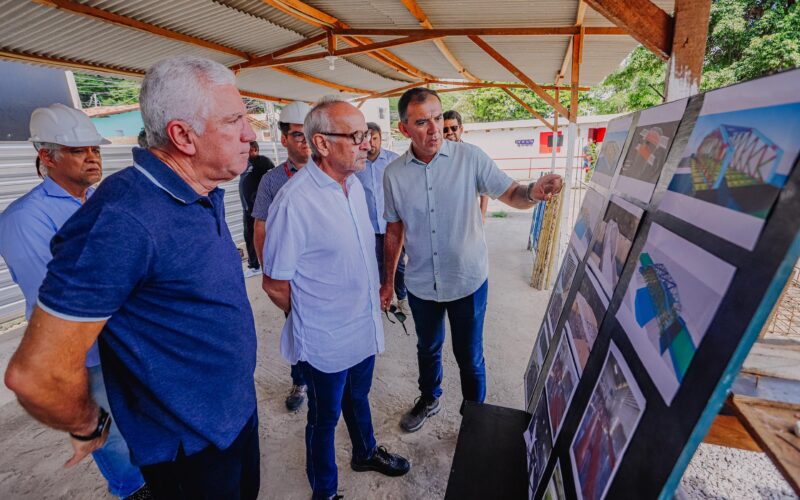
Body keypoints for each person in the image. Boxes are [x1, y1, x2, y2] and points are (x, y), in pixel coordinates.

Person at [4, 56, 261, 499]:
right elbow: (36, 374)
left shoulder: (198, 190)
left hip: (230, 416)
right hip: (187, 445)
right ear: (183, 136)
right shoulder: (124, 216)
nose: (251, 134)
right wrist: (88, 422)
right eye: (235, 120)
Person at [382, 88, 563, 432]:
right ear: (404, 129)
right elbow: (394, 230)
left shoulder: (471, 158)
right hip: (421, 284)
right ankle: (429, 397)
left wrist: (533, 193)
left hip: (467, 280)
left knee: (470, 356)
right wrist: (388, 281)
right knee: (428, 347)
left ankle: (474, 418)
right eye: (422, 122)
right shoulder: (393, 175)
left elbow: (512, 193)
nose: (434, 128)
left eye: (437, 118)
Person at [262, 96, 410, 500]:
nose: (366, 143)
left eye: (366, 135)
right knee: (323, 419)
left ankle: (364, 452)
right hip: (325, 335)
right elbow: (275, 283)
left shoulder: (356, 189)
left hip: (361, 323)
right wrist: (312, 314)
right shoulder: (294, 202)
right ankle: (324, 492)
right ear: (322, 144)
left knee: (358, 396)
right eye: (357, 136)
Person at [0, 104, 149, 500]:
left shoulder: (105, 201)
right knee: (112, 441)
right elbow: (56, 299)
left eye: (95, 150)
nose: (92, 157)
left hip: (126, 344)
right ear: (46, 156)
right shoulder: (25, 219)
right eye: (78, 150)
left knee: (141, 429)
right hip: (83, 356)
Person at [252, 100, 313, 412]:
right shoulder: (273, 180)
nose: (306, 142)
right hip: (292, 272)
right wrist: (269, 272)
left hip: (325, 270)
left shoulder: (330, 173)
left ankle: (330, 374)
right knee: (296, 325)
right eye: (298, 135)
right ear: (284, 139)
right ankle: (300, 380)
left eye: (311, 134)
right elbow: (260, 227)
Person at [354, 122, 409, 315]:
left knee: (398, 265)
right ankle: (384, 298)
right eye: (366, 138)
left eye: (374, 138)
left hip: (392, 226)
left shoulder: (394, 162)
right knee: (376, 265)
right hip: (370, 227)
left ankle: (402, 297)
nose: (371, 143)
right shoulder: (356, 166)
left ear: (380, 138)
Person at [443, 110, 489, 221]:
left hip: (468, 217)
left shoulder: (473, 154)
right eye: (445, 129)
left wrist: (482, 215)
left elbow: (485, 188)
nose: (449, 132)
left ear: (461, 129)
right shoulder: (434, 157)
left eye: (454, 128)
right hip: (444, 216)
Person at [240, 140, 275, 277]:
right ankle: (254, 265)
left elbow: (272, 183)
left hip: (259, 209)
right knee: (248, 236)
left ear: (254, 149)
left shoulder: (264, 162)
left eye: (247, 149)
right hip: (247, 209)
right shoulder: (245, 163)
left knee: (262, 237)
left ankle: (265, 264)